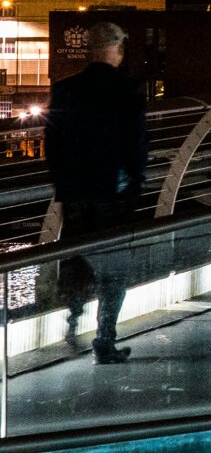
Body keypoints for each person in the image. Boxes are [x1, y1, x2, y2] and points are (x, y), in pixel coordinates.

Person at [45, 22, 148, 364]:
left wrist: (62, 182)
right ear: (116, 48)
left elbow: (52, 145)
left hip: (75, 191)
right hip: (113, 192)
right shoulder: (128, 89)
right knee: (113, 268)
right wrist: (136, 182)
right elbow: (135, 144)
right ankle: (105, 339)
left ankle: (72, 324)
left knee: (76, 257)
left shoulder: (65, 89)